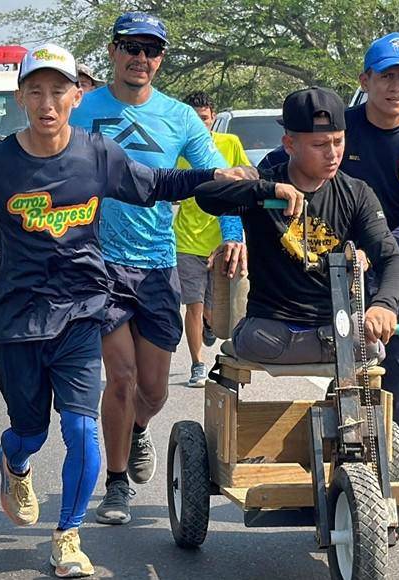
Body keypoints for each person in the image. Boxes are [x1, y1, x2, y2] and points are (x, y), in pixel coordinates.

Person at [0, 43, 259, 578]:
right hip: (16, 320)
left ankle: (68, 535)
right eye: (37, 91)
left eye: (58, 91)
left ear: (76, 97)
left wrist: (218, 179)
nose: (47, 102)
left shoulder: (97, 154)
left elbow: (157, 185)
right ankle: (15, 461)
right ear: (21, 97)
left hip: (81, 312)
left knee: (80, 429)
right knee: (29, 431)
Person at [69, 11, 246, 526]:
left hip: (157, 266)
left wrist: (233, 236)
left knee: (155, 390)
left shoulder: (181, 117)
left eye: (151, 50)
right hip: (98, 263)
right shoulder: (82, 109)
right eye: (132, 47)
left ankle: (137, 430)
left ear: (160, 59)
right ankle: (117, 484)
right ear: (113, 51)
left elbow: (220, 179)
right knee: (119, 378)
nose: (140, 58)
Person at [257, 34, 399, 459]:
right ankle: (339, 469)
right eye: (386, 76)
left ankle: (389, 477)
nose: (395, 86)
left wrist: (379, 250)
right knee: (343, 368)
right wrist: (253, 194)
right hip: (338, 269)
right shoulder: (341, 128)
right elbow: (277, 165)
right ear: (366, 79)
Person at [195, 87, 399, 366]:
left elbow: (393, 258)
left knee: (370, 346)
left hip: (336, 326)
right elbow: (205, 196)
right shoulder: (265, 187)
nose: (333, 154)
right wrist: (262, 190)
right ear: (289, 144)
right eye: (319, 145)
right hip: (272, 329)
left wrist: (384, 306)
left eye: (338, 142)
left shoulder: (357, 193)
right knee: (264, 341)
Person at [174, 91, 252, 387]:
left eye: (203, 119)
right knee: (192, 305)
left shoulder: (229, 144)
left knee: (211, 310)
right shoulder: (179, 152)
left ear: (213, 118)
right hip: (186, 241)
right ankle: (197, 364)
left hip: (222, 242)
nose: (198, 124)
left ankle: (210, 323)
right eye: (192, 119)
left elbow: (248, 176)